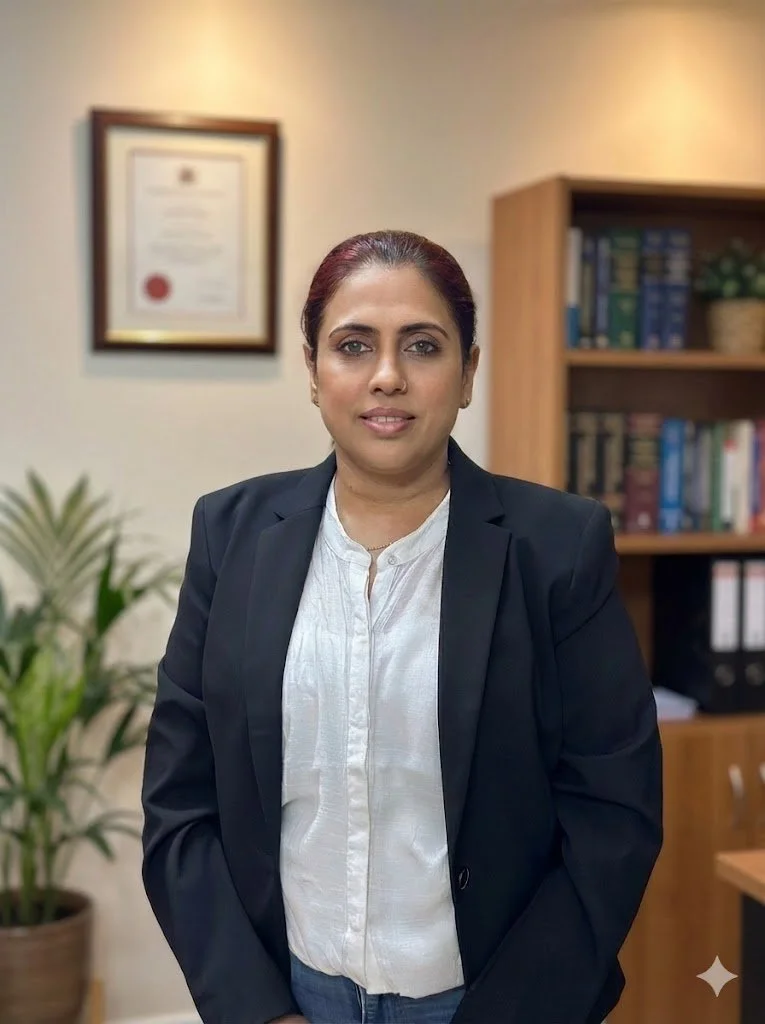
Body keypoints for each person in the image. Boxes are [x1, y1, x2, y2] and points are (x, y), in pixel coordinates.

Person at [141, 230, 663, 1024]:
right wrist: (256, 1010)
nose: (386, 376)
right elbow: (179, 803)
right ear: (314, 371)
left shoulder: (558, 548)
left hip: (493, 996)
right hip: (290, 989)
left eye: (421, 345)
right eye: (353, 346)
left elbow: (612, 814)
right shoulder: (232, 534)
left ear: (467, 374)